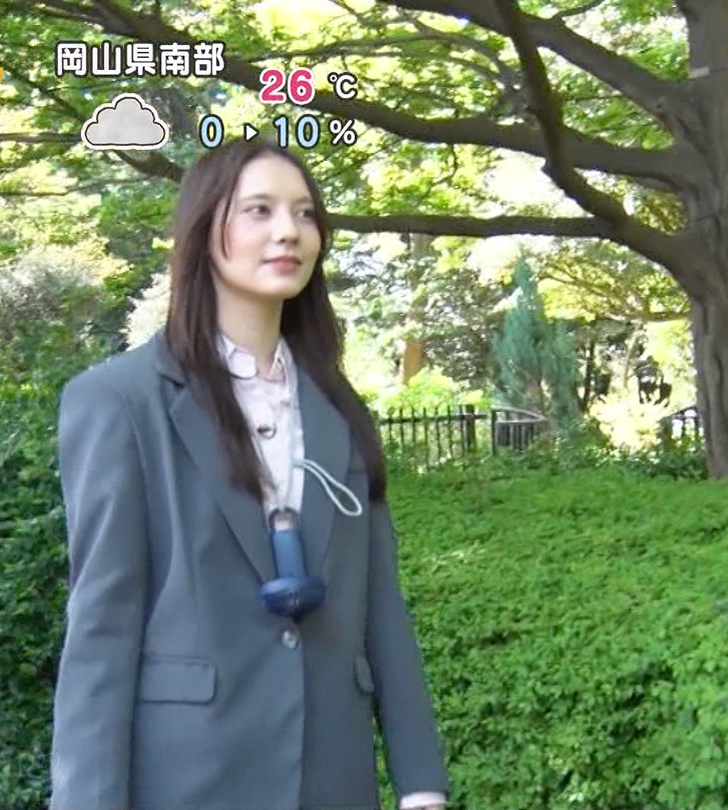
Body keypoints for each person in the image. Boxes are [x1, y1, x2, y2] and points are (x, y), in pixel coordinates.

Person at [49, 139, 451, 810]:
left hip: (332, 780)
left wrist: (421, 784)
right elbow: (102, 627)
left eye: (304, 213)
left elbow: (381, 604)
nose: (288, 231)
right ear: (204, 228)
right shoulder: (119, 402)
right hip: (187, 780)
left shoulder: (340, 411)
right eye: (259, 210)